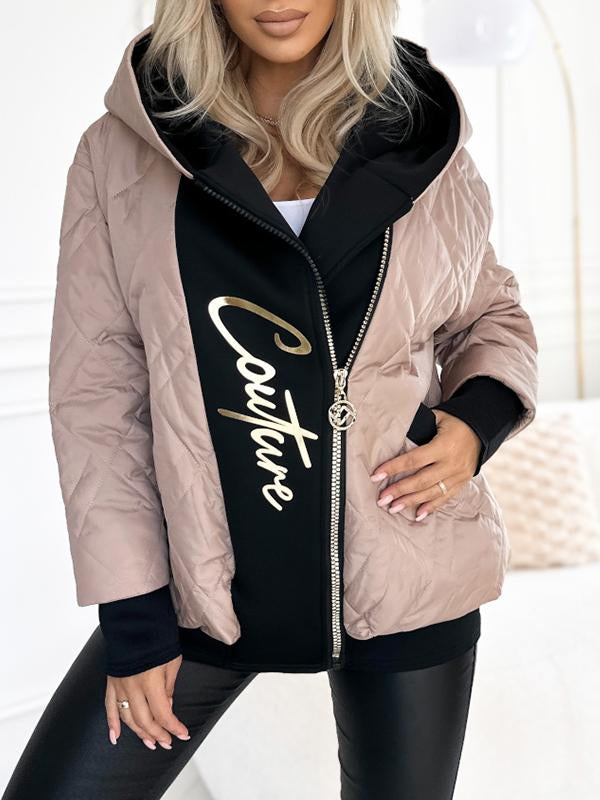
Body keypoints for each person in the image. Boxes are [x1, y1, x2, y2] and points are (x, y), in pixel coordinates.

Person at [2, 1, 538, 798]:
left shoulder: (422, 141)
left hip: (404, 570)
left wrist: (473, 426)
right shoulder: (124, 152)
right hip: (203, 585)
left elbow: (491, 316)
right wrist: (134, 614)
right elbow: (97, 396)